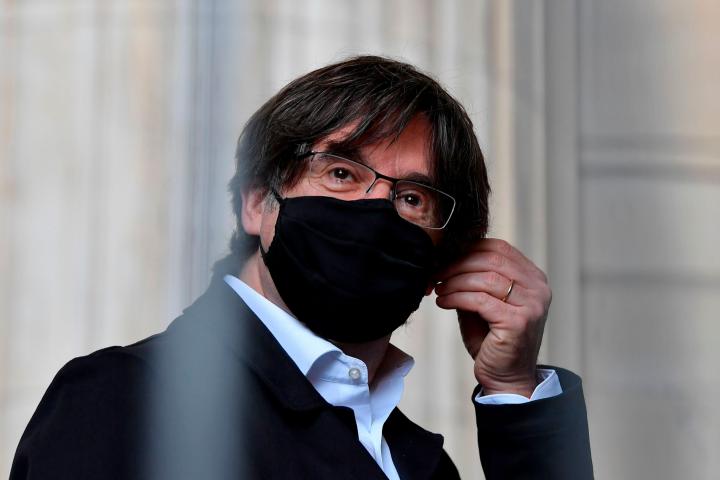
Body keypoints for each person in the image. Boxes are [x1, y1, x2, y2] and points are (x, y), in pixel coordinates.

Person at [10, 56, 593, 479]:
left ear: (445, 259)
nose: (374, 210)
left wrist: (513, 392)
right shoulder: (127, 400)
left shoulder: (419, 463)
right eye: (340, 173)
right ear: (257, 204)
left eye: (412, 198)